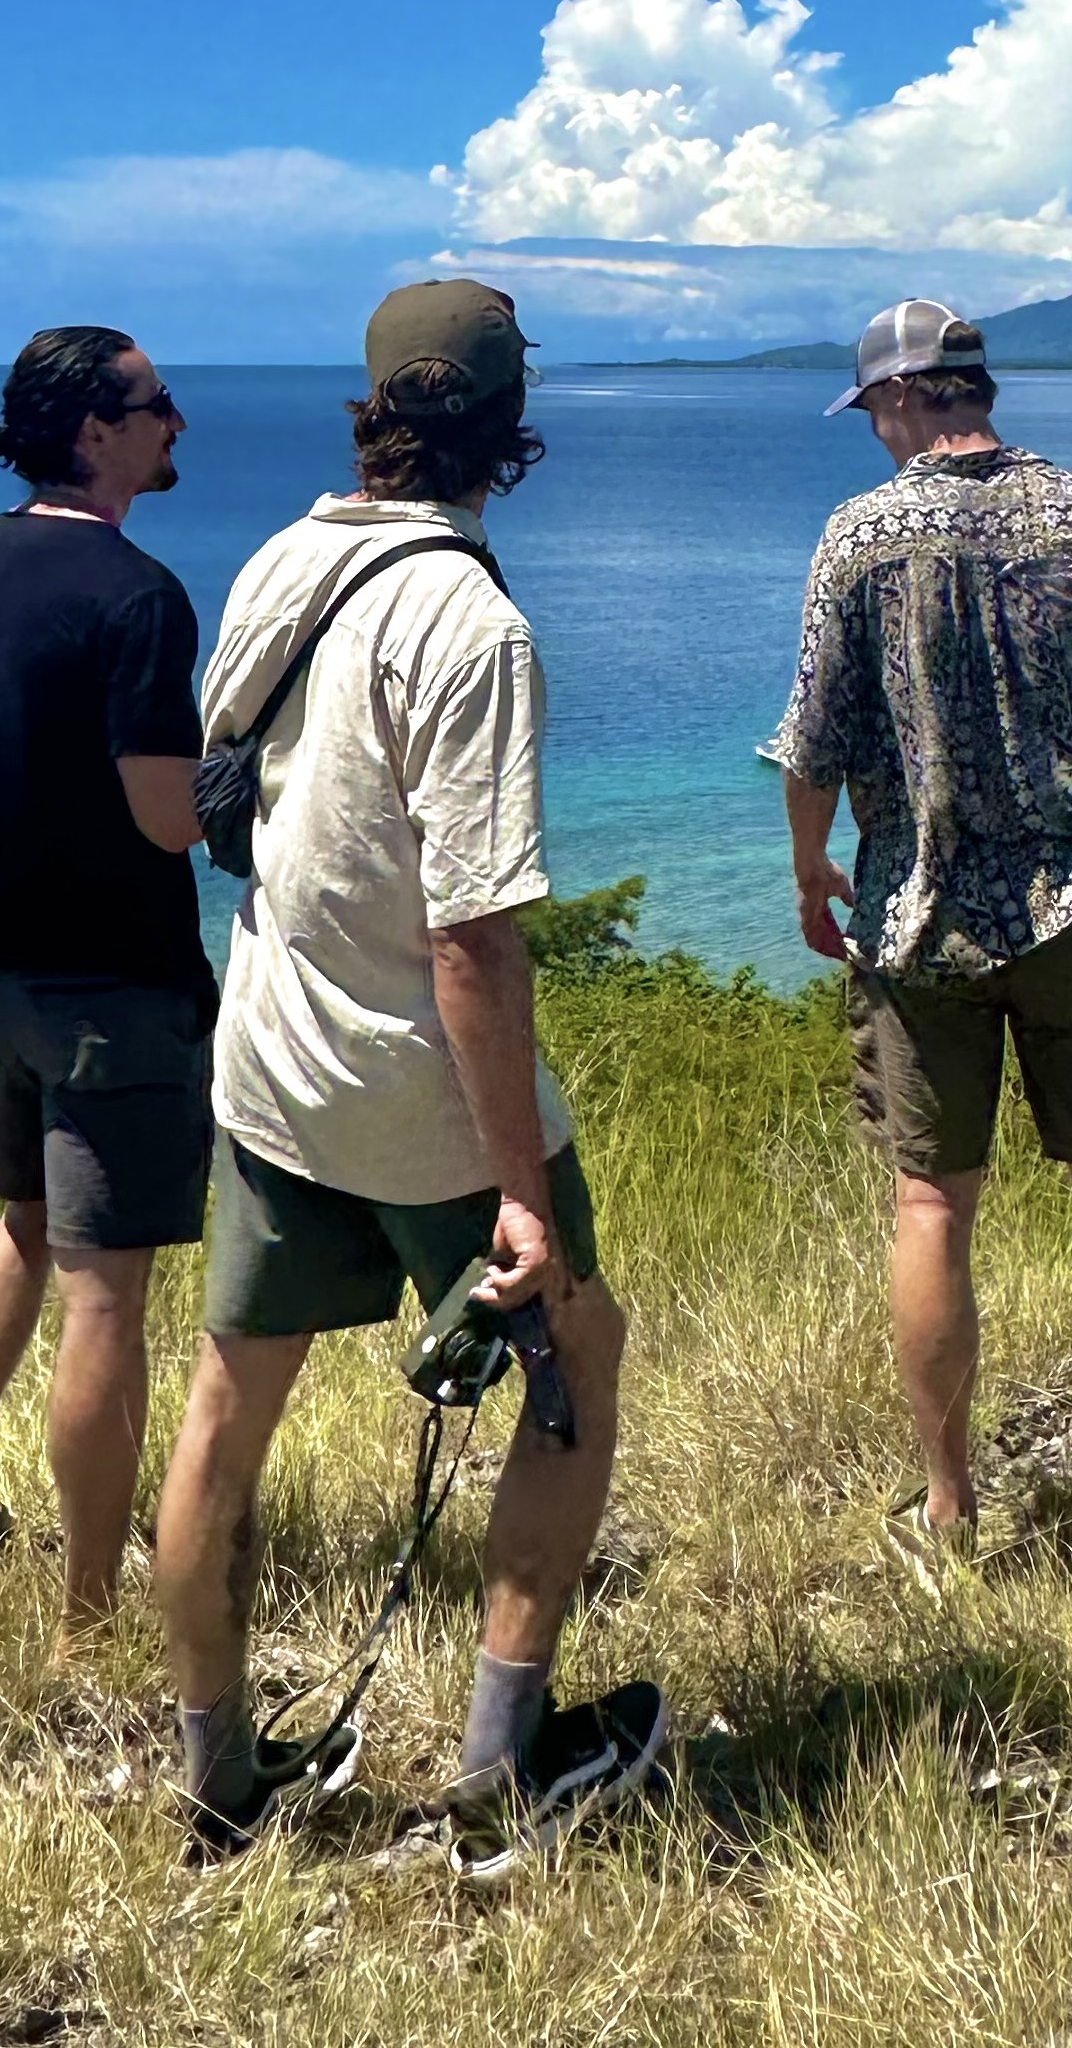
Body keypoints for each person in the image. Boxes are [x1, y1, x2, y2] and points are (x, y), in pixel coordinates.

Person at [151, 278, 661, 1873]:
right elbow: (475, 941)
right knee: (576, 1367)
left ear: (370, 410)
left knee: (227, 1411)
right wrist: (521, 1190)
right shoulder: (472, 624)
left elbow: (223, 790)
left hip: (272, 1062)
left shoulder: (280, 562)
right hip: (422, 1094)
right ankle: (505, 1775)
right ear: (513, 430)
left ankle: (217, 1779)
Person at [768, 298, 1072, 1582]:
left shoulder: (859, 539)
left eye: (874, 410)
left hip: (922, 918)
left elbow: (814, 739)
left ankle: (951, 1504)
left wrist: (810, 868)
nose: (876, 431)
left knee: (931, 1207)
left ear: (903, 398)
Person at [0, 327, 212, 1656]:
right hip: (112, 990)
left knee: (21, 1226)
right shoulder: (139, 597)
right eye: (156, 403)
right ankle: (86, 1617)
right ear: (94, 430)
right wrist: (251, 785)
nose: (176, 421)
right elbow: (165, 816)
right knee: (104, 1291)